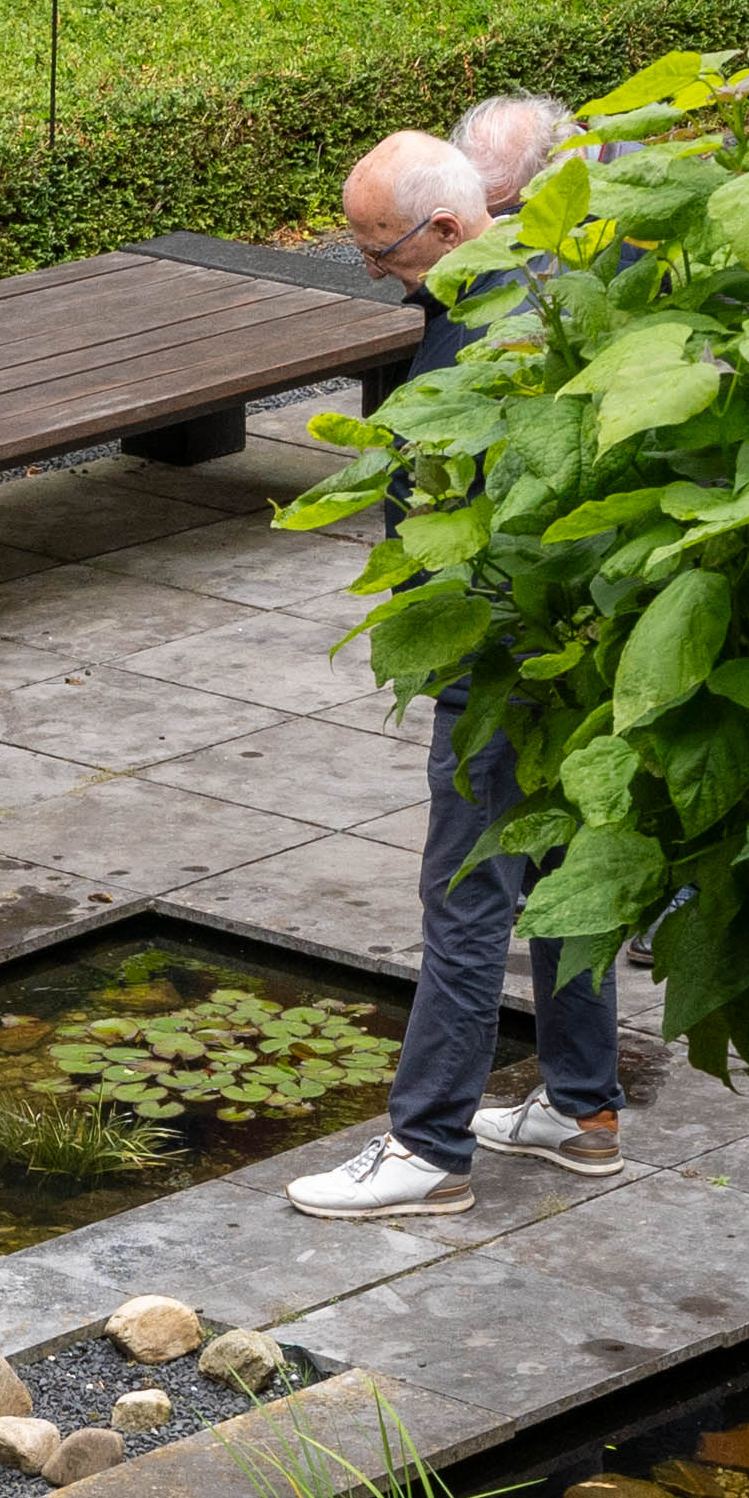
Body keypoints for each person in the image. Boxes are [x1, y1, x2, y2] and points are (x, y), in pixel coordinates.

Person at [289, 103, 626, 1221]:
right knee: (568, 868)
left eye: (381, 253)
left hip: (504, 656)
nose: (377, 275)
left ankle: (428, 1147)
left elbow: (469, 512)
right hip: (578, 649)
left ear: (443, 227)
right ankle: (581, 1110)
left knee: (465, 892)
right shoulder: (555, 279)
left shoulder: (485, 324)